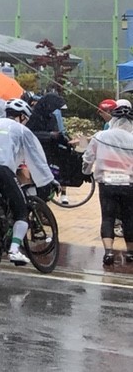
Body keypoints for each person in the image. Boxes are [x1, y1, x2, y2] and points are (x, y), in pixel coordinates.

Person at [0, 97, 57, 268]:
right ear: (22, 116)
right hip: (1, 169)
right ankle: (15, 250)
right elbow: (36, 157)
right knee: (21, 211)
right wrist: (49, 179)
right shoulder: (21, 129)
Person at [82, 99, 133, 267]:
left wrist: (86, 172)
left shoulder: (101, 136)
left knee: (108, 217)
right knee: (129, 218)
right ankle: (130, 252)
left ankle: (108, 252)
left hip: (107, 182)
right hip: (128, 183)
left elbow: (88, 158)